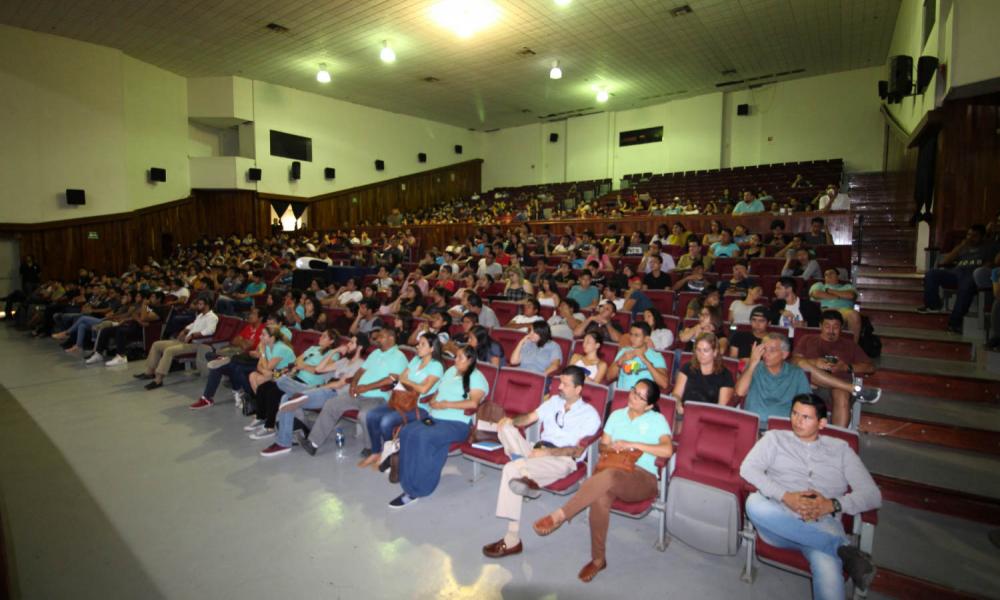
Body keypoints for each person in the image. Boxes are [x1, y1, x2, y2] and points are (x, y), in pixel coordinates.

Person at [740, 394, 882, 599]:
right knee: (754, 503)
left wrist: (831, 505)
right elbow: (748, 469)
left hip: (823, 522)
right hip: (779, 520)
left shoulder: (840, 450)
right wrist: (786, 496)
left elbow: (872, 495)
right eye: (795, 414)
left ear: (822, 423)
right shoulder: (775, 438)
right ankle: (841, 549)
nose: (797, 421)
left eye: (806, 417)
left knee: (828, 574)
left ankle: (832, 547)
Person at [531, 378, 672, 582]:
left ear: (649, 405)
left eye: (639, 396)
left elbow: (667, 449)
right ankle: (598, 560)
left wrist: (632, 445)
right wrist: (612, 447)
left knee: (608, 476)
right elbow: (603, 446)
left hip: (643, 477)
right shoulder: (616, 415)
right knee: (600, 497)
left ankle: (561, 515)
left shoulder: (657, 420)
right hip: (614, 469)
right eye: (633, 391)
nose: (632, 397)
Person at [482, 366, 602, 559]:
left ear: (578, 389)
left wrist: (547, 452)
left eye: (564, 384)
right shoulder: (554, 401)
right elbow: (530, 417)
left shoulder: (589, 415)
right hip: (534, 450)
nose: (559, 387)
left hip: (561, 459)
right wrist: (511, 421)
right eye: (559, 382)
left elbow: (577, 450)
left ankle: (512, 539)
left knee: (511, 469)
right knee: (504, 429)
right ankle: (527, 477)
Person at [389, 345, 489, 508]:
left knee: (423, 437)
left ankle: (417, 489)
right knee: (407, 431)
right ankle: (407, 478)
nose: (455, 360)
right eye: (455, 356)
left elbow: (473, 402)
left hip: (457, 424)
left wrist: (445, 405)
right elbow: (439, 391)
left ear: (470, 360)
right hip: (435, 417)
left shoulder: (476, 377)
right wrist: (434, 400)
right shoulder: (450, 372)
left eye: (460, 358)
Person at [296, 328, 408, 455]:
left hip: (378, 397)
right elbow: (361, 371)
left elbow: (390, 379)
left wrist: (366, 387)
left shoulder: (399, 357)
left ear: (391, 339)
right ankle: (313, 443)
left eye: (381, 337)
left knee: (364, 415)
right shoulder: (376, 353)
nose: (377, 339)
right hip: (359, 393)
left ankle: (371, 447)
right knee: (332, 404)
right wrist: (353, 385)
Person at [357, 332, 445, 467]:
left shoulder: (436, 366)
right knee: (372, 415)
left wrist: (408, 381)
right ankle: (375, 452)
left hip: (420, 406)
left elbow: (424, 390)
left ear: (432, 348)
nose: (418, 347)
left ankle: (388, 455)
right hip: (402, 399)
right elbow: (402, 378)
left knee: (386, 422)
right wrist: (412, 382)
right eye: (418, 344)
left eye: (422, 344)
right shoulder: (416, 360)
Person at [792, 311, 882, 427]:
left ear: (841, 328)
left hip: (836, 390)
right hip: (809, 386)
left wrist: (846, 367)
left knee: (841, 393)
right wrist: (815, 362)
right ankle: (853, 389)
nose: (831, 330)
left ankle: (837, 440)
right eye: (827, 326)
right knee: (803, 364)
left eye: (835, 327)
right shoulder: (808, 339)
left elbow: (870, 367)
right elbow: (793, 361)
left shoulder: (850, 345)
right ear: (820, 326)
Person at [917, 225, 997, 333]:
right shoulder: (964, 246)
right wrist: (961, 246)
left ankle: (954, 323)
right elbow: (945, 261)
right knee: (931, 274)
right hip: (956, 273)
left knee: (966, 286)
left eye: (974, 236)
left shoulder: (989, 247)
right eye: (969, 235)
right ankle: (933, 305)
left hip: (973, 275)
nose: (970, 238)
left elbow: (991, 264)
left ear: (982, 237)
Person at [134, 296, 218, 390]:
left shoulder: (212, 317)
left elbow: (210, 331)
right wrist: (184, 331)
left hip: (196, 344)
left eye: (200, 304)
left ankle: (158, 380)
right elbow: (192, 325)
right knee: (156, 344)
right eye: (198, 304)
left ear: (207, 305)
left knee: (169, 351)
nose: (198, 306)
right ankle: (149, 372)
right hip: (185, 341)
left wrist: (192, 335)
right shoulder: (200, 315)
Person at [735, 333, 811, 426]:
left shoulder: (796, 373)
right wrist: (752, 364)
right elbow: (740, 392)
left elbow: (807, 404)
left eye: (772, 350)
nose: (766, 354)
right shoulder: (753, 367)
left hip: (782, 427)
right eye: (764, 349)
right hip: (753, 425)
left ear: (784, 354)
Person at [672, 332, 734, 412]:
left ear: (715, 352)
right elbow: (676, 394)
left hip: (708, 417)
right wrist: (678, 404)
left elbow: (721, 408)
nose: (701, 354)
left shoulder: (725, 375)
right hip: (685, 412)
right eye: (698, 350)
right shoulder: (688, 367)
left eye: (706, 350)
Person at [607, 322, 669, 390]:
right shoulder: (624, 351)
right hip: (623, 395)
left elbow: (664, 384)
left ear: (646, 339)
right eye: (631, 334)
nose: (632, 338)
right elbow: (608, 377)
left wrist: (645, 361)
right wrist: (621, 360)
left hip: (642, 398)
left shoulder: (656, 356)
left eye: (636, 335)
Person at [809, 268, 862, 334]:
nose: (828, 275)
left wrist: (829, 291)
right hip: (823, 310)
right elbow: (816, 294)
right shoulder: (819, 285)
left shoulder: (847, 286)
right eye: (826, 275)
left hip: (843, 311)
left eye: (831, 273)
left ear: (838, 276)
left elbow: (851, 296)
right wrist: (839, 296)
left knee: (854, 315)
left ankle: (853, 344)